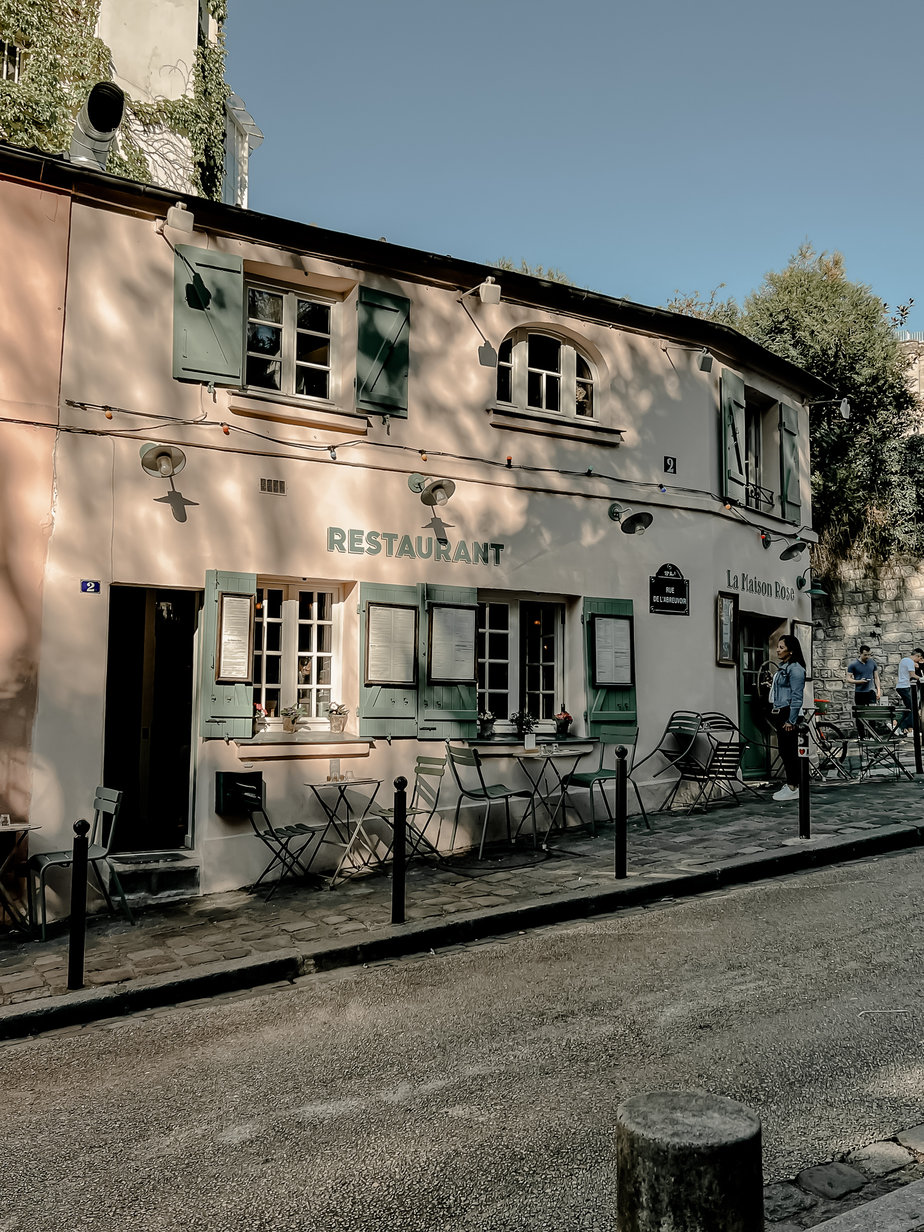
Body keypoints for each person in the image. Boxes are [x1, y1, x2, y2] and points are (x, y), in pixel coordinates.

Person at [770, 634, 807, 802]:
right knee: (785, 751)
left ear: (791, 651)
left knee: (790, 751)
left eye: (781, 647)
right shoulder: (783, 667)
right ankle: (793, 784)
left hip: (788, 712)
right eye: (778, 647)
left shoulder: (796, 669)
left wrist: (791, 721)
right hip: (780, 710)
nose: (777, 650)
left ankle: (794, 786)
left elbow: (797, 696)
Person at [894, 648, 924, 736]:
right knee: (912, 707)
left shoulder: (904, 660)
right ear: (917, 656)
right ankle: (907, 728)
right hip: (905, 687)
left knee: (909, 708)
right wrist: (921, 678)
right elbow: (913, 675)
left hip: (901, 686)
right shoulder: (910, 662)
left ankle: (900, 726)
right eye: (919, 658)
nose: (919, 661)